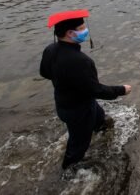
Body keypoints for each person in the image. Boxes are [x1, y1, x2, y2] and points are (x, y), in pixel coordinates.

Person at [40, 10, 131, 169]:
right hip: (78, 110)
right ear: (70, 33)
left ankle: (102, 131)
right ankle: (68, 171)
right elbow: (96, 90)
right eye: (81, 28)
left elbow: (44, 72)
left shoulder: (50, 49)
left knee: (100, 119)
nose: (85, 31)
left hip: (64, 102)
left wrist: (65, 82)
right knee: (77, 145)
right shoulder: (80, 61)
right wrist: (121, 90)